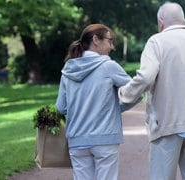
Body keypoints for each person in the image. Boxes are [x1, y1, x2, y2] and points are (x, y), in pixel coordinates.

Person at [118, 2, 185, 180]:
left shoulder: (156, 42)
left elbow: (146, 77)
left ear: (161, 22)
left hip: (167, 124)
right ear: (183, 20)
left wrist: (125, 94)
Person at [55, 24, 139, 180]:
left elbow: (61, 108)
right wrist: (117, 108)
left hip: (76, 140)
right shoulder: (109, 66)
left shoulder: (68, 69)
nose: (112, 47)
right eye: (110, 41)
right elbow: (136, 92)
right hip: (105, 139)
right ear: (96, 40)